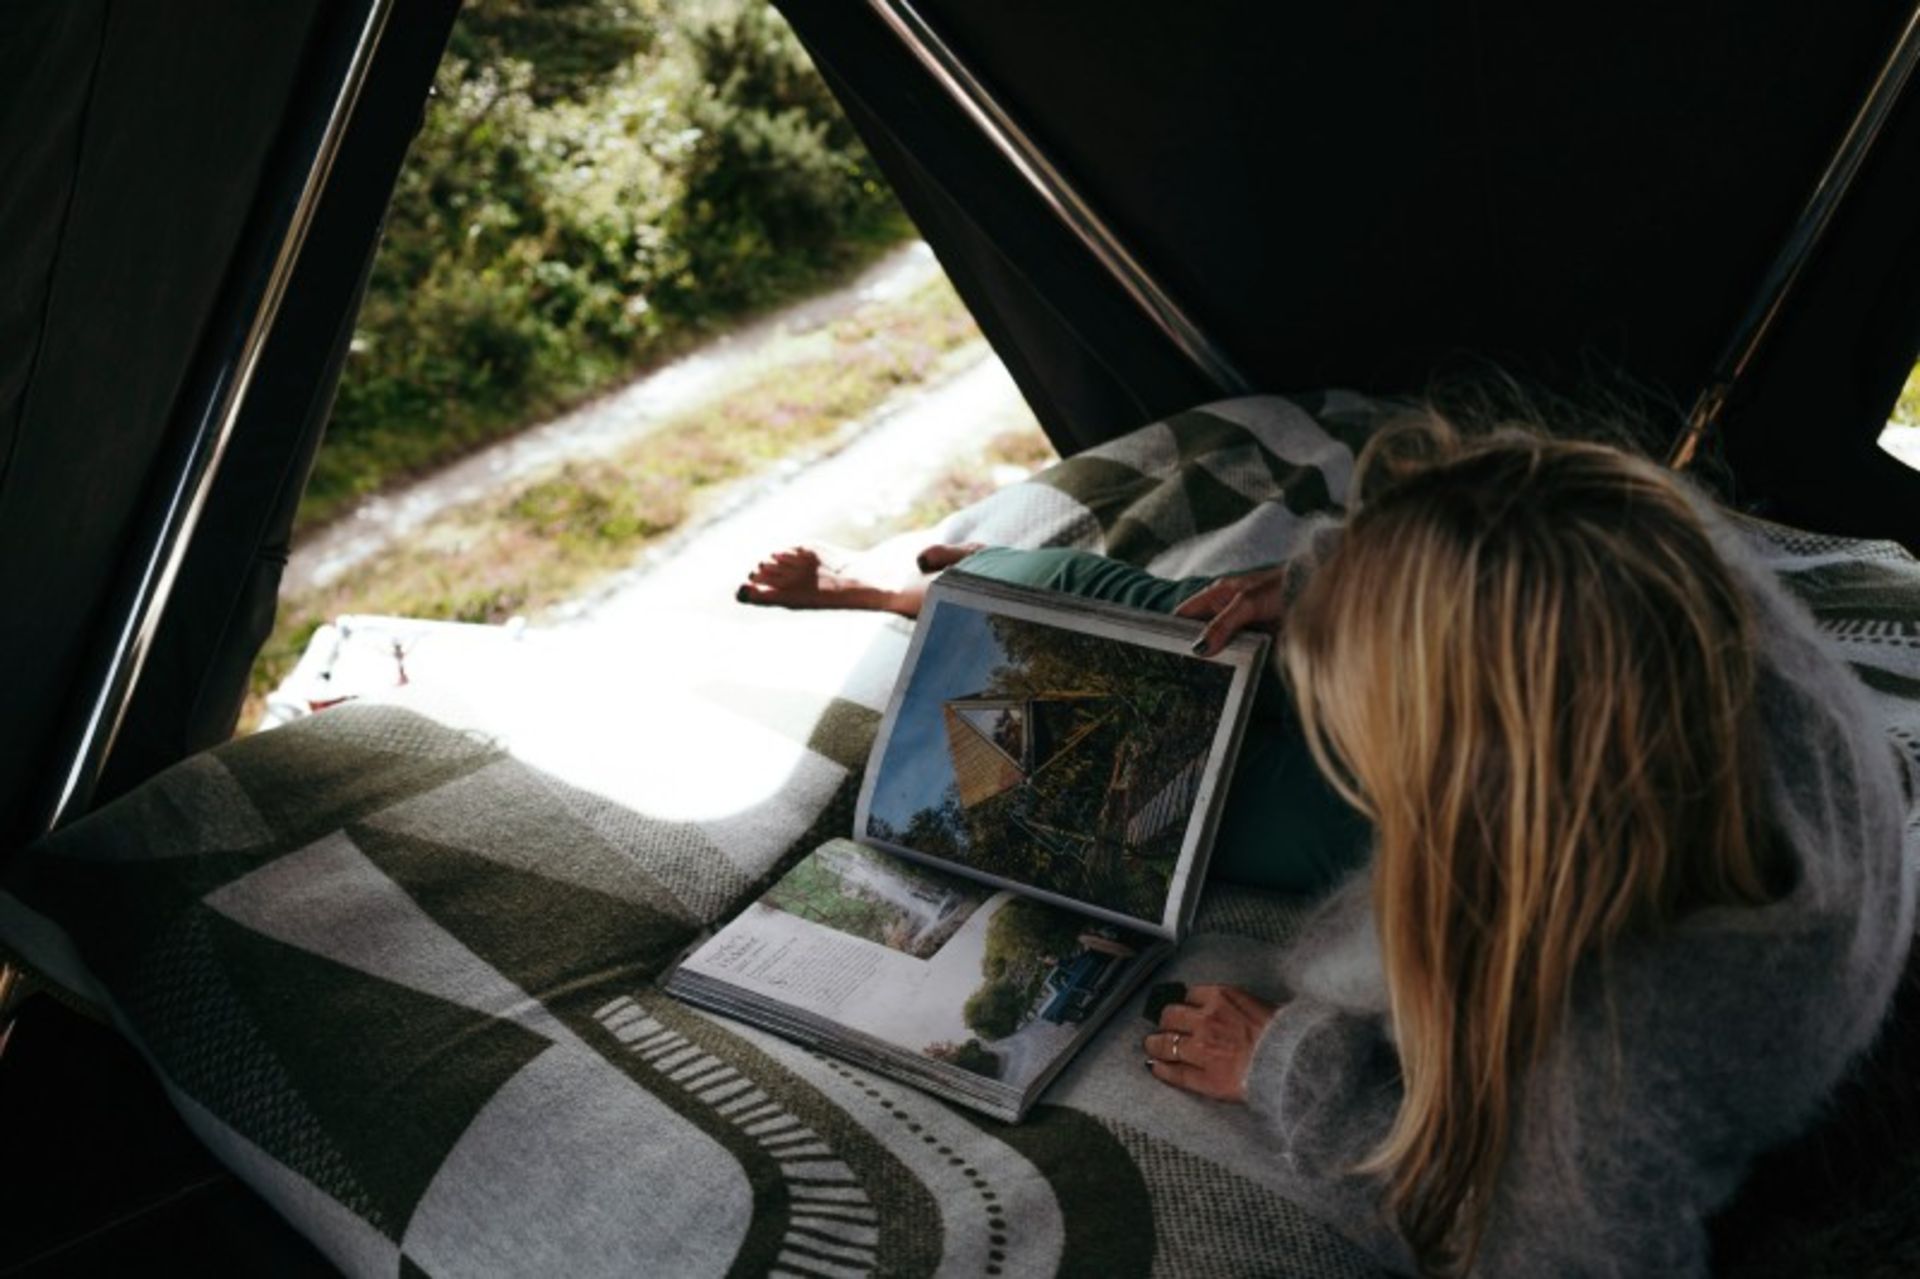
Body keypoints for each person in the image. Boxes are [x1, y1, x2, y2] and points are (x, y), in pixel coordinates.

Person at [738, 416, 1913, 1276]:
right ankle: (930, 596)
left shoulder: (1619, 1055)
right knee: (1179, 631)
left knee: (1167, 765)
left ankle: (973, 605)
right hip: (1532, 764)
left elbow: (1517, 1244)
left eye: (1373, 720)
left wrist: (1288, 1065)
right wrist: (1337, 589)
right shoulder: (1693, 598)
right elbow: (1544, 544)